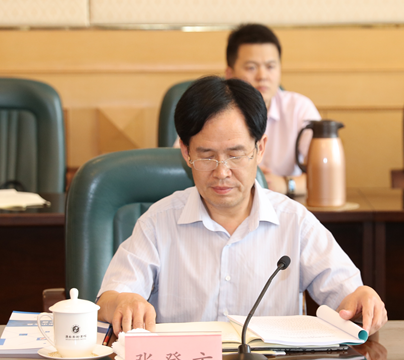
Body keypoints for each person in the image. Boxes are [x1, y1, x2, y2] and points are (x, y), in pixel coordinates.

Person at [97, 76, 386, 336]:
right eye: (207, 155)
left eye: (235, 155)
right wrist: (123, 302)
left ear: (260, 148)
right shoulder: (158, 222)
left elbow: (348, 297)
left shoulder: (294, 221)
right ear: (185, 152)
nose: (222, 172)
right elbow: (107, 301)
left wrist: (362, 300)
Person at [225, 23, 320, 196]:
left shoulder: (299, 108)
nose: (262, 76)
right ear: (229, 74)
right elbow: (181, 163)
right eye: (251, 67)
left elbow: (324, 177)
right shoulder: (212, 110)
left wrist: (285, 184)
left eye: (270, 67)